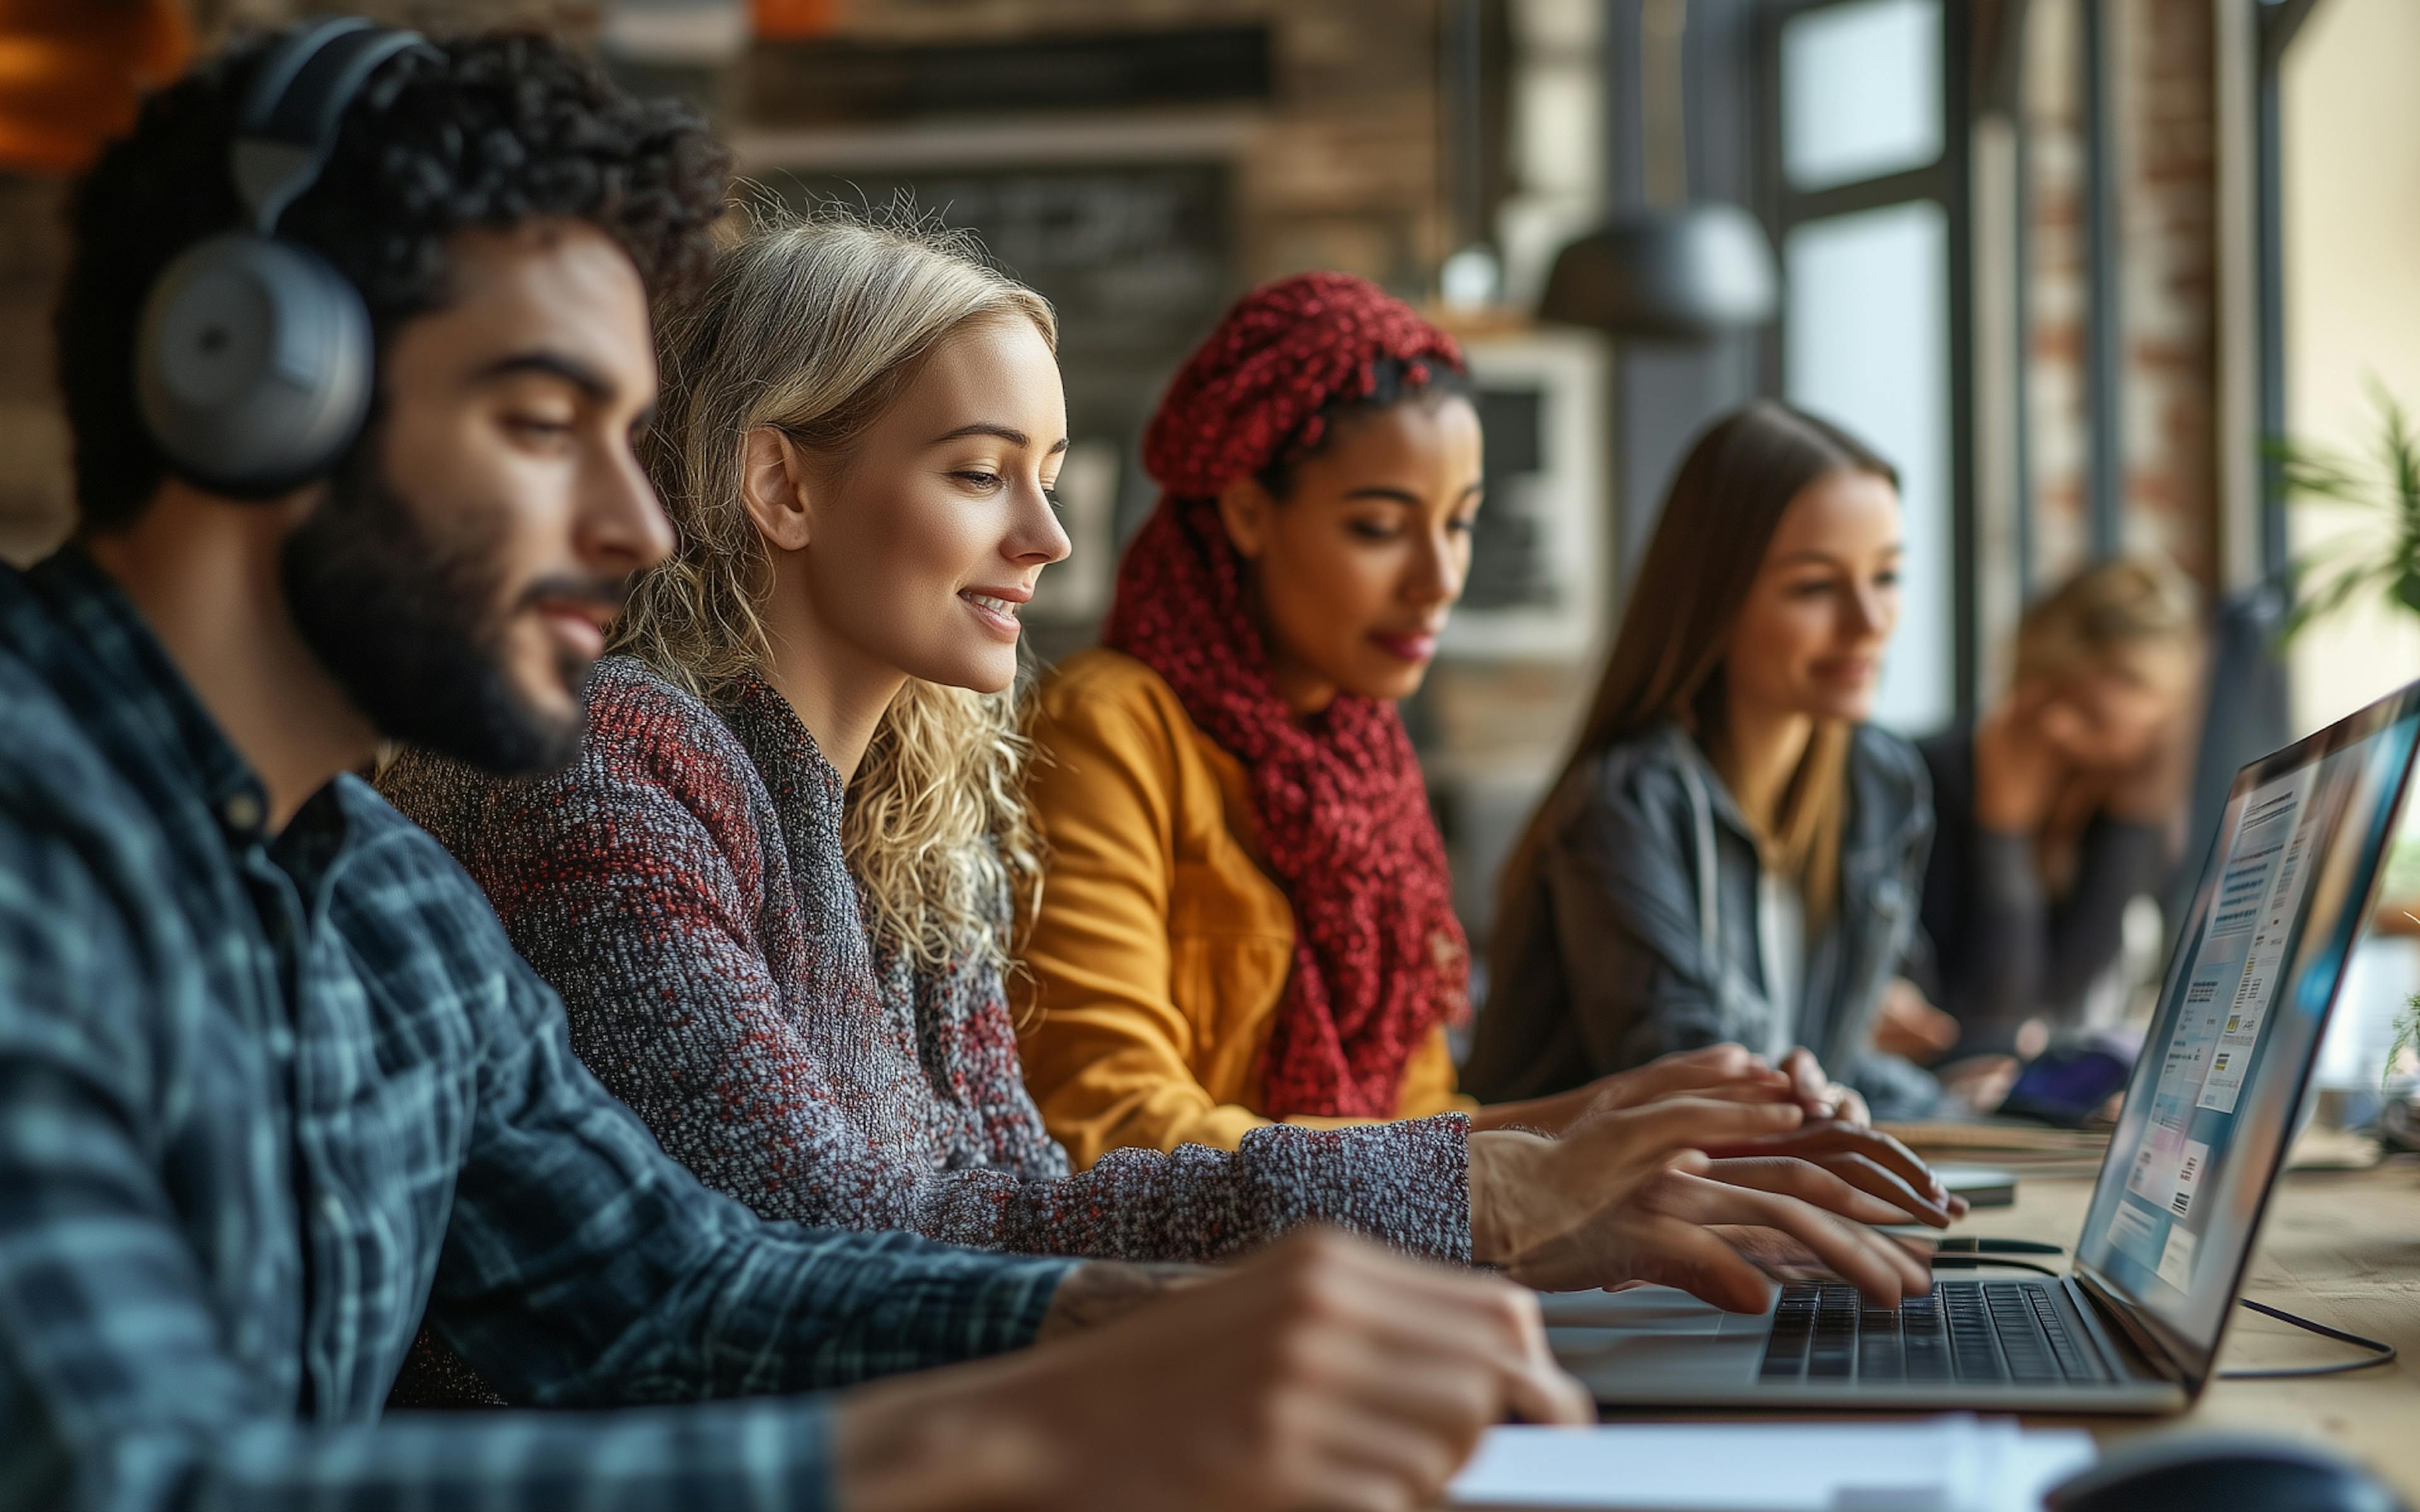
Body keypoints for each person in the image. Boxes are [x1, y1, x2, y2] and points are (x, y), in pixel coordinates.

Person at [0, 28, 1603, 1511]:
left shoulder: (379, 895)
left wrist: (1157, 1313)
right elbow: (142, 1478)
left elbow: (678, 1290)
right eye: (544, 419)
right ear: (256, 385)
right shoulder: (38, 847)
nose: (634, 523)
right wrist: (1051, 1409)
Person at [376, 210, 1941, 1392]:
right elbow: (819, 1244)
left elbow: (1021, 1199)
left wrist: (1532, 1166)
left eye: (1052, 469)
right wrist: (1469, 1188)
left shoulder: (914, 816)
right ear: (779, 484)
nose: (1051, 535)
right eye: (983, 471)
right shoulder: (608, 767)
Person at [1018, 281, 1952, 1210]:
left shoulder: (1362, 764)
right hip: (1208, 1312)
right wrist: (1560, 1151)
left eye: (1460, 524)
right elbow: (1113, 1128)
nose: (1439, 581)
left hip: (1377, 1276)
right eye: (1379, 528)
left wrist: (1613, 1119)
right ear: (1247, 508)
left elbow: (1420, 1115)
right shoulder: (1112, 728)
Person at [1463, 401, 1957, 1123]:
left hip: (1751, 1201)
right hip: (1571, 1222)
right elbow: (1701, 1086)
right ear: (1714, 599)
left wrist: (2005, 1107)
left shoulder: (1878, 782)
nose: (1869, 621)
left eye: (1887, 576)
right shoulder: (1627, 801)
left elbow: (1831, 1065)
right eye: (1816, 587)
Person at [1908, 558, 2202, 1058]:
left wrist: (2135, 818)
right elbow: (1997, 1015)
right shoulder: (1920, 779)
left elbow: (2059, 1004)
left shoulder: (2126, 814)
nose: (2059, 728)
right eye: (2051, 695)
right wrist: (2001, 831)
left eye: (2092, 718)